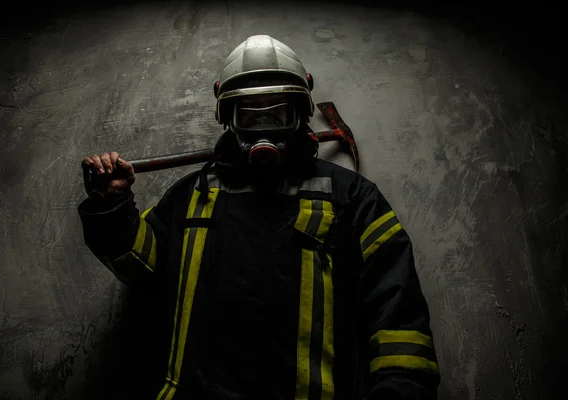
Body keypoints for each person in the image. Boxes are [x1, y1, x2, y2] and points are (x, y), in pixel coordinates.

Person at [78, 34, 440, 400]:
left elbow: (398, 318)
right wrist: (112, 205)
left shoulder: (353, 199)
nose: (265, 127)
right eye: (250, 114)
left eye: (278, 112)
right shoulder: (190, 197)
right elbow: (137, 268)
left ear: (300, 111)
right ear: (228, 117)